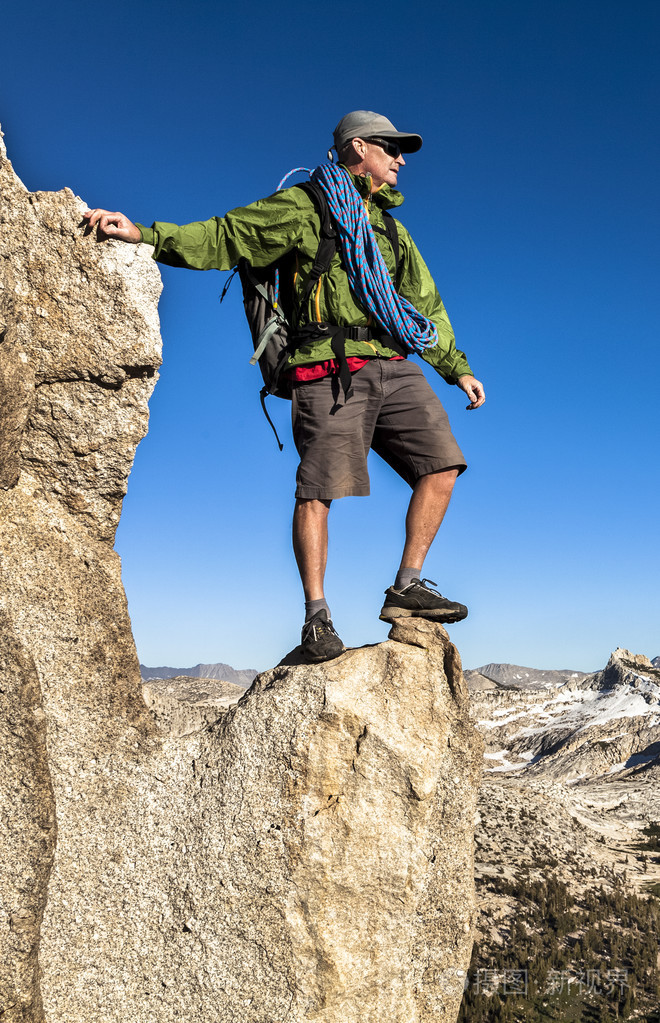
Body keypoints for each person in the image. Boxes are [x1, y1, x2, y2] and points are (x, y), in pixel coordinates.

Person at [83, 110, 485, 664]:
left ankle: (406, 588)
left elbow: (424, 303)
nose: (400, 160)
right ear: (358, 148)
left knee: (442, 465)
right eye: (390, 148)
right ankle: (317, 616)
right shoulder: (303, 207)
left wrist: (454, 365)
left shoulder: (391, 228)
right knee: (318, 489)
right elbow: (226, 236)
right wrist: (146, 236)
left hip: (395, 360)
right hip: (328, 364)